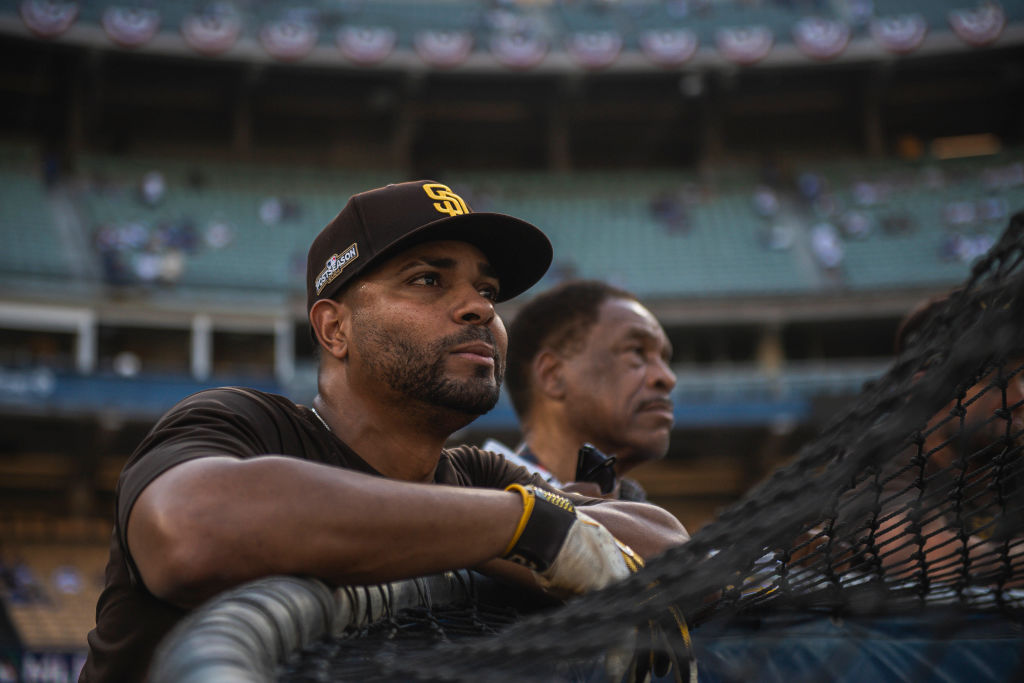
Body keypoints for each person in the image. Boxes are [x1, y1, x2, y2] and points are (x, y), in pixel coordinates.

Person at [80, 181, 689, 682]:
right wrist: (521, 528)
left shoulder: (473, 475)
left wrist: (527, 525)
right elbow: (191, 533)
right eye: (428, 280)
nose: (480, 308)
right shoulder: (241, 423)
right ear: (334, 329)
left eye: (488, 290)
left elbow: (665, 544)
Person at [489, 280, 677, 501]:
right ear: (553, 375)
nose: (667, 378)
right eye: (637, 351)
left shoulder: (651, 526)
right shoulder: (467, 518)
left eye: (665, 359)